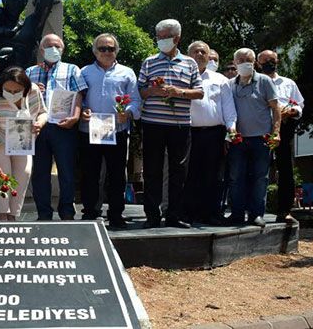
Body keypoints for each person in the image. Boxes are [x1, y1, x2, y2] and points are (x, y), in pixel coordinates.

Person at [137, 19, 204, 229]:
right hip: (152, 124)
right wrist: (152, 91)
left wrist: (179, 92)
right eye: (158, 37)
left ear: (177, 38)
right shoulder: (149, 62)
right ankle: (152, 216)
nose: (160, 40)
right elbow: (139, 91)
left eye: (165, 37)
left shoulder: (190, 63)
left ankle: (174, 215)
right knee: (152, 171)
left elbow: (200, 92)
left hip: (180, 125)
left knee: (178, 171)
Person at [79, 33, 141, 228]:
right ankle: (90, 212)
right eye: (102, 48)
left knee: (116, 175)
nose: (106, 52)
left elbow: (136, 100)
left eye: (111, 48)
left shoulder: (127, 72)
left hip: (118, 130)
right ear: (95, 51)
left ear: (117, 51)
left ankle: (116, 214)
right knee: (91, 174)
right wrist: (81, 111)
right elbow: (75, 98)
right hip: (89, 130)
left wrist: (129, 113)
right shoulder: (84, 72)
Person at [26, 33, 88, 220]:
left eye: (57, 46)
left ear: (62, 49)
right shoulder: (29, 72)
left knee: (66, 172)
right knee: (39, 173)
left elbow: (79, 94)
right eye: (48, 46)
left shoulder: (72, 69)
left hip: (64, 126)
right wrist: (30, 89)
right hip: (38, 127)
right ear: (41, 49)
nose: (53, 49)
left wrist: (76, 117)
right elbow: (19, 97)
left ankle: (67, 211)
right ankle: (43, 212)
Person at [0, 66, 47, 221]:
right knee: (3, 176)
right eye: (7, 90)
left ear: (25, 88)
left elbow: (43, 112)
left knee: (23, 175)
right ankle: (2, 214)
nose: (12, 94)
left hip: (22, 139)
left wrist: (40, 123)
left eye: (16, 90)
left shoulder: (33, 91)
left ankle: (13, 215)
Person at [227, 48, 281, 227]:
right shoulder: (229, 85)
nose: (244, 62)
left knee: (260, 178)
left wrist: (276, 132)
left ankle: (256, 214)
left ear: (255, 62)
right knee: (236, 177)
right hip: (238, 140)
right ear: (235, 63)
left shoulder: (264, 81)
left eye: (248, 59)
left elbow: (276, 108)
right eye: (240, 60)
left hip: (261, 139)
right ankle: (236, 214)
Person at [184, 41, 237, 225]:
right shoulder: (181, 76)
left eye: (203, 52)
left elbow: (229, 108)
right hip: (188, 133)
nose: (199, 54)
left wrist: (231, 129)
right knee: (190, 175)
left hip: (215, 133)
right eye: (195, 51)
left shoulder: (219, 79)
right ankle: (190, 213)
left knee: (214, 176)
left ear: (209, 56)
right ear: (187, 55)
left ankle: (212, 214)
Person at [257, 50, 305, 223]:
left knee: (286, 170)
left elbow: (299, 105)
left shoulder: (288, 83)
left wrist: (292, 111)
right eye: (265, 61)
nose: (269, 63)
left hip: (283, 130)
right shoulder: (254, 82)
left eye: (272, 60)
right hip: (259, 129)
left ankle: (284, 210)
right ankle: (252, 210)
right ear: (258, 63)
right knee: (256, 169)